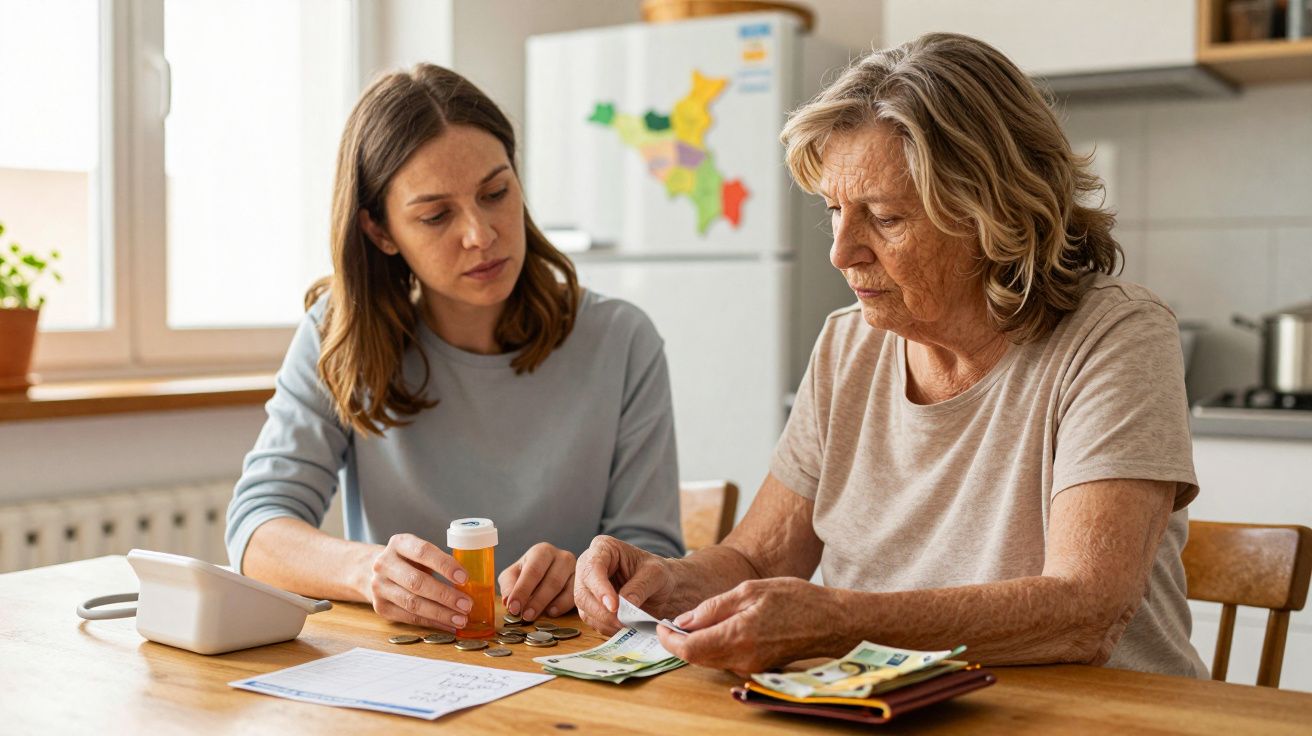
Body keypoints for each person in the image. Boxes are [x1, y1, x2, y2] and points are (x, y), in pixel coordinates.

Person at [574, 32, 1208, 679]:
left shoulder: (1117, 336)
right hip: (890, 709)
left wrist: (841, 622)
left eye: (883, 218)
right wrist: (662, 580)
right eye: (835, 211)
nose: (841, 252)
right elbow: (759, 562)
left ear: (993, 215)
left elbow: (1086, 611)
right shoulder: (849, 342)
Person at [226, 64, 683, 633]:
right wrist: (369, 571)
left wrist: (594, 575)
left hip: (568, 669)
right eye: (436, 215)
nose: (481, 234)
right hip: (406, 671)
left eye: (496, 192)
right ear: (380, 232)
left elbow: (655, 555)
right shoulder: (338, 335)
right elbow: (256, 529)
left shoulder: (621, 340)